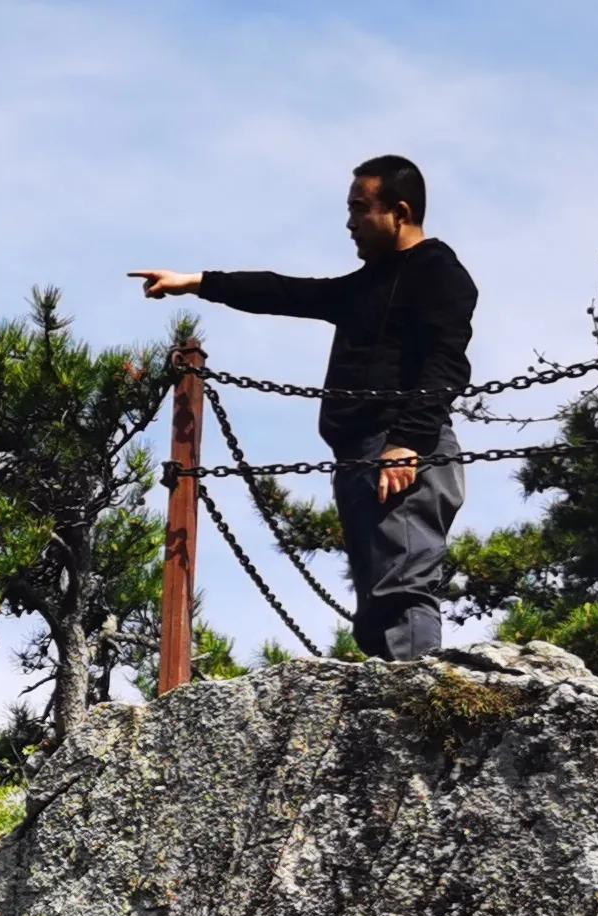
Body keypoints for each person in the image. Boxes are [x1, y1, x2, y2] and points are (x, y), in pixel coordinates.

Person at [130, 154, 479, 661]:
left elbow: (447, 365)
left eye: (360, 209)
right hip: (361, 454)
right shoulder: (369, 283)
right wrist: (197, 281)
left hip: (404, 452)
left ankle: (416, 710)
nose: (349, 222)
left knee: (403, 588)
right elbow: (286, 290)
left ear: (400, 212)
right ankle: (387, 708)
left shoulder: (439, 273)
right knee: (376, 603)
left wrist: (407, 443)